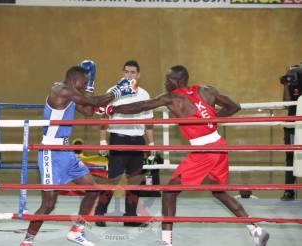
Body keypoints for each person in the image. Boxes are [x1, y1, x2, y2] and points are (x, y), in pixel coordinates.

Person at [105, 65, 270, 246]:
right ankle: (256, 230)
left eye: (168, 79)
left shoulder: (172, 97)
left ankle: (166, 242)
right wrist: (211, 119)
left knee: (168, 193)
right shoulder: (206, 90)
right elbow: (234, 106)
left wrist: (114, 110)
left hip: (204, 151)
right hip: (219, 145)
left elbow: (142, 105)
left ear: (176, 81)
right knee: (219, 191)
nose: (166, 82)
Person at [19, 61, 138, 246]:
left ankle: (77, 230)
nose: (84, 87)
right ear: (75, 80)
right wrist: (118, 90)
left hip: (66, 152)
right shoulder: (59, 90)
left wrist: (91, 85)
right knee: (48, 204)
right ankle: (27, 241)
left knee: (92, 190)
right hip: (51, 152)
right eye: (84, 83)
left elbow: (89, 111)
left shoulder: (72, 95)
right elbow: (94, 102)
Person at [94, 60, 155, 227]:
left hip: (138, 141)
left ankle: (130, 217)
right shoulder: (113, 92)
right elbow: (104, 117)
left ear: (138, 75)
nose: (129, 75)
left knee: (135, 180)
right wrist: (102, 140)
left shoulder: (144, 94)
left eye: (133, 72)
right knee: (113, 179)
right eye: (126, 72)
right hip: (118, 139)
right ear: (122, 73)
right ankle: (99, 214)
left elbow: (149, 121)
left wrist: (151, 144)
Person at [280, 64, 302, 201]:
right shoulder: (293, 83)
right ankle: (289, 191)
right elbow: (287, 103)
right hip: (292, 126)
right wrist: (286, 84)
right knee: (290, 158)